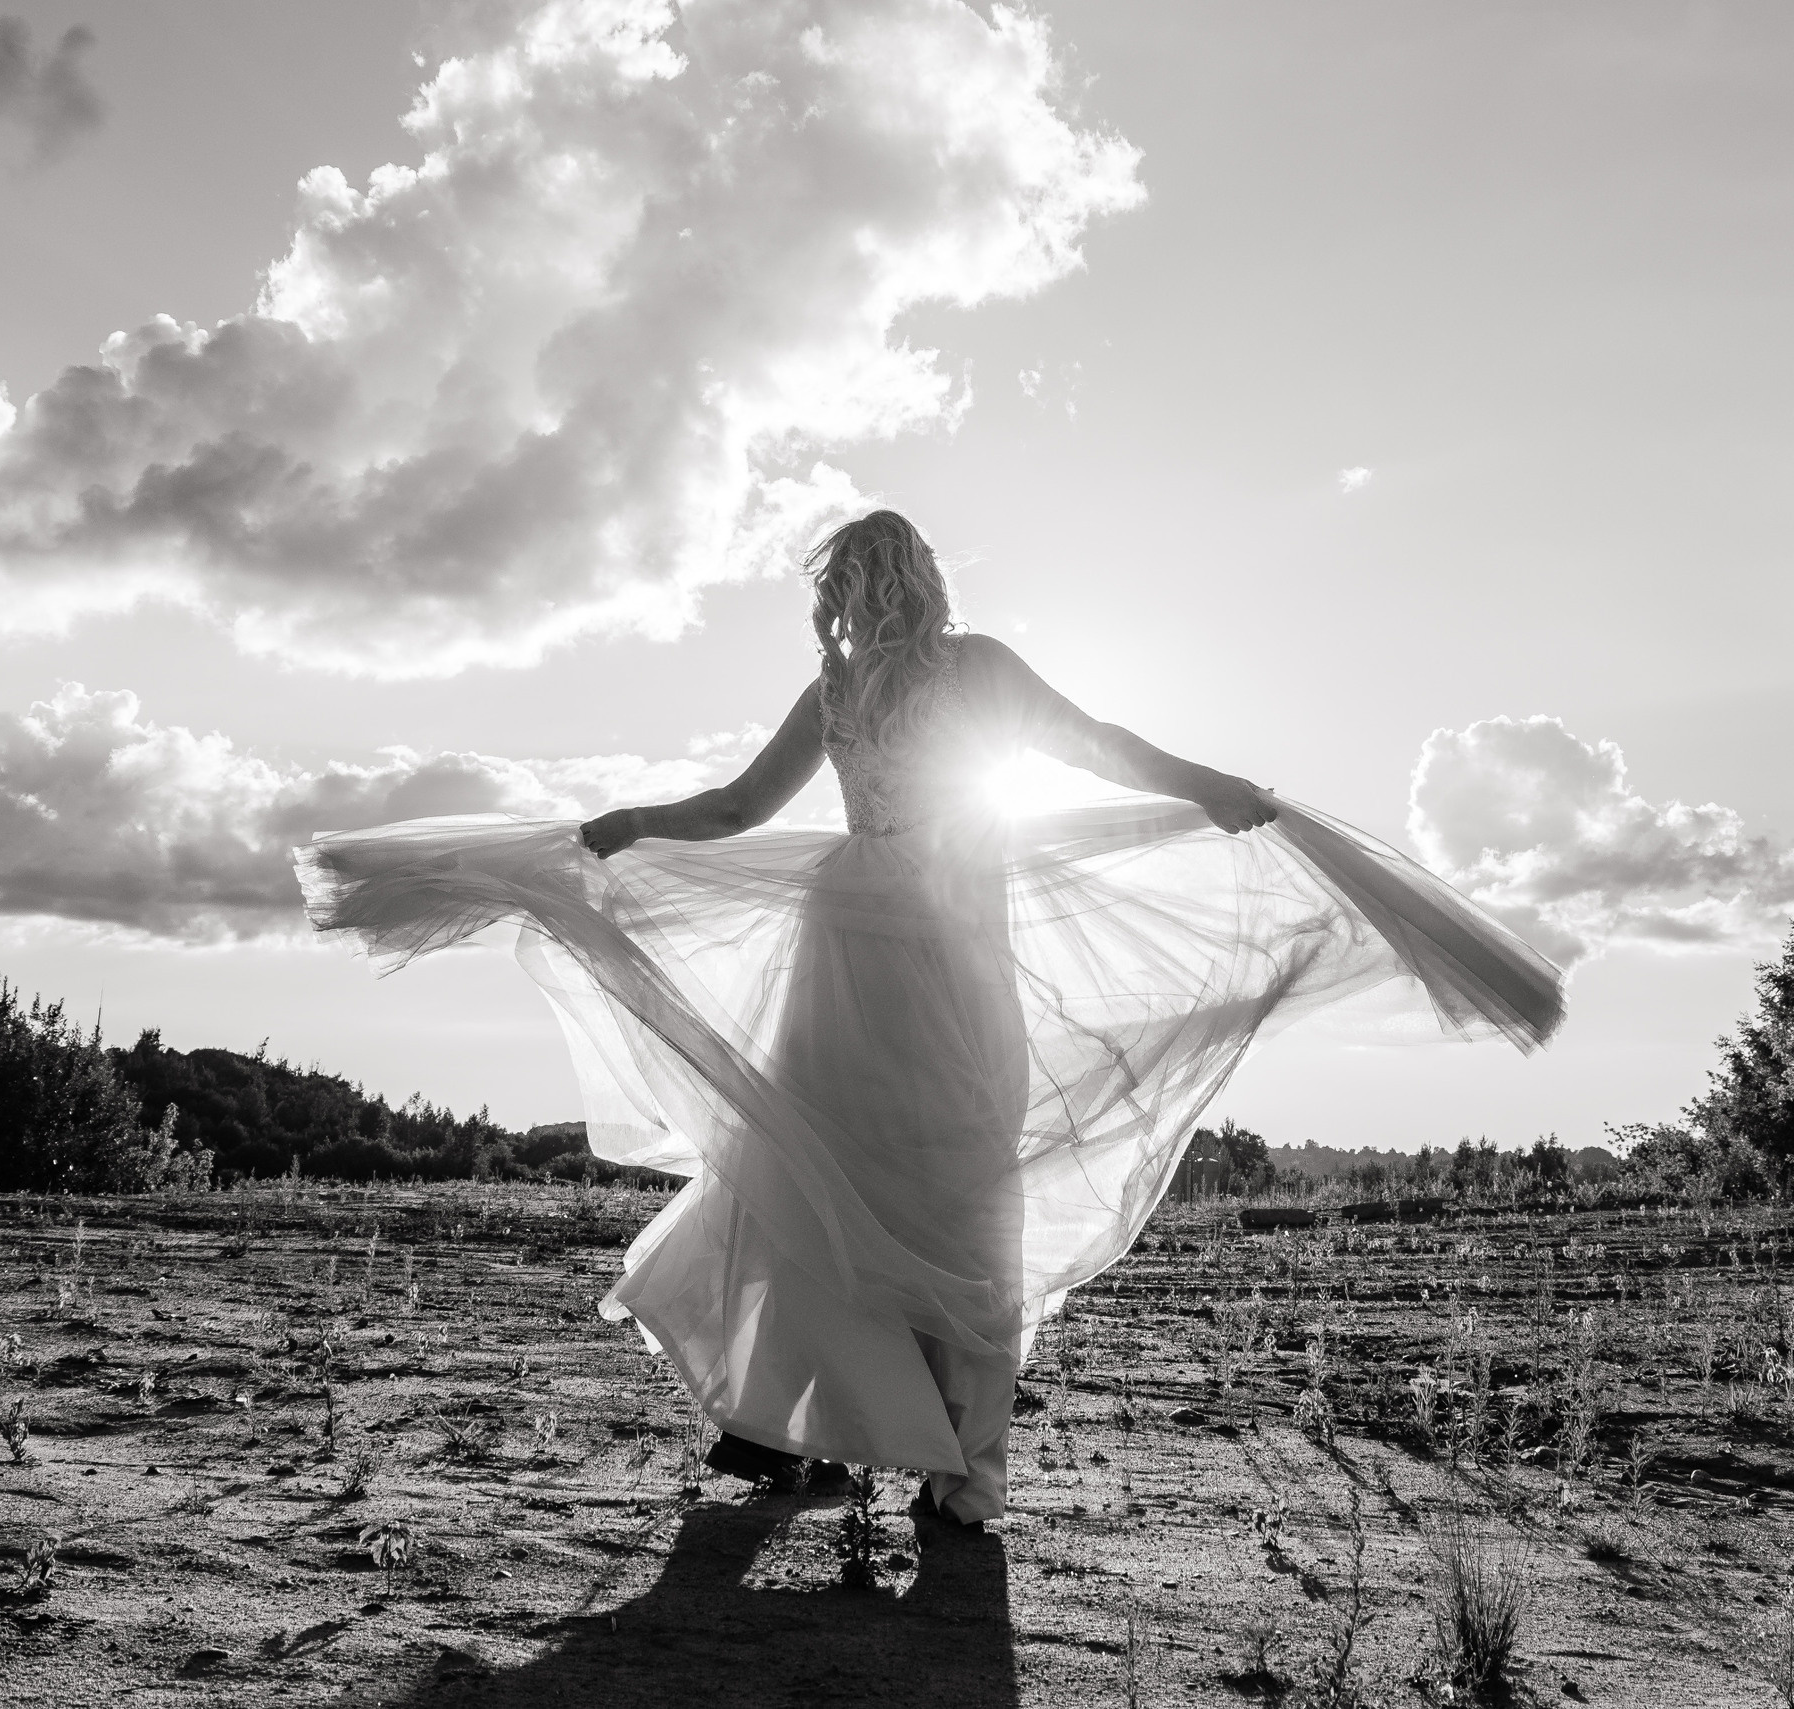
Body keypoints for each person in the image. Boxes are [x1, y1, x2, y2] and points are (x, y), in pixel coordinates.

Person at [295, 510, 1561, 1535]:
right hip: (949, 948)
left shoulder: (834, 689)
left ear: (847, 592)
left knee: (817, 1183)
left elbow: (735, 810)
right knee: (959, 1195)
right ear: (929, 583)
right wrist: (1206, 784)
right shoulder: (972, 669)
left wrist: (633, 822)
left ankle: (799, 1430)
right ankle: (958, 1477)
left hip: (848, 943)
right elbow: (1099, 745)